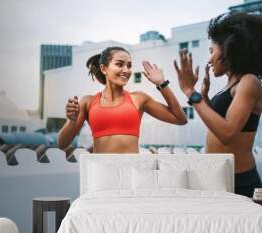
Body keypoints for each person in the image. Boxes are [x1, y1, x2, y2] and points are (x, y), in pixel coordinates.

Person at [174, 12, 262, 197]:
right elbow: (216, 123)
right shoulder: (228, 86)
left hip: (238, 180)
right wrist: (203, 95)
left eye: (212, 51)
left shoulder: (249, 82)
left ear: (229, 50)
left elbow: (227, 133)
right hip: (216, 176)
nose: (209, 59)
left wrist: (191, 92)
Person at [58, 46, 187, 153]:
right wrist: (71, 121)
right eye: (119, 64)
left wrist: (162, 84)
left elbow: (180, 119)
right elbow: (62, 144)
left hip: (131, 175)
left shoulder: (138, 99)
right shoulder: (88, 102)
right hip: (101, 175)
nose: (126, 70)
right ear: (104, 69)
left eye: (129, 66)